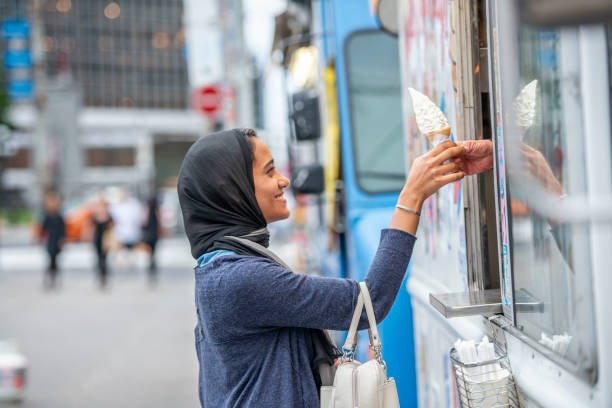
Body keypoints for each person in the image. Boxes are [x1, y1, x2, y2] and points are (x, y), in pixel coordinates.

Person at [177, 128, 490, 407]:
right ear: (232, 190)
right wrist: (412, 195)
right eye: (270, 171)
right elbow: (368, 303)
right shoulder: (239, 278)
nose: (284, 180)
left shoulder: (217, 270)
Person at [40, 190, 66, 290]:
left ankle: (54, 278)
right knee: (50, 260)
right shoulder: (47, 216)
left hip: (57, 242)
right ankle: (50, 278)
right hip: (50, 241)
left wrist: (62, 240)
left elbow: (63, 230)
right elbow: (43, 229)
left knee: (55, 261)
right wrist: (42, 238)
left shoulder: (59, 217)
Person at [91, 195, 113, 288]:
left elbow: (111, 228)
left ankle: (104, 276)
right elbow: (92, 227)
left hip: (105, 240)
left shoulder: (109, 216)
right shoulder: (95, 215)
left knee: (104, 259)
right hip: (97, 239)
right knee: (98, 258)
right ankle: (100, 276)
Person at [141, 193, 161, 284]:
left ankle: (150, 264)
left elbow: (144, 222)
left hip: (149, 233)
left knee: (149, 251)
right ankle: (152, 265)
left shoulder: (148, 211)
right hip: (154, 233)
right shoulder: (156, 212)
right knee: (153, 251)